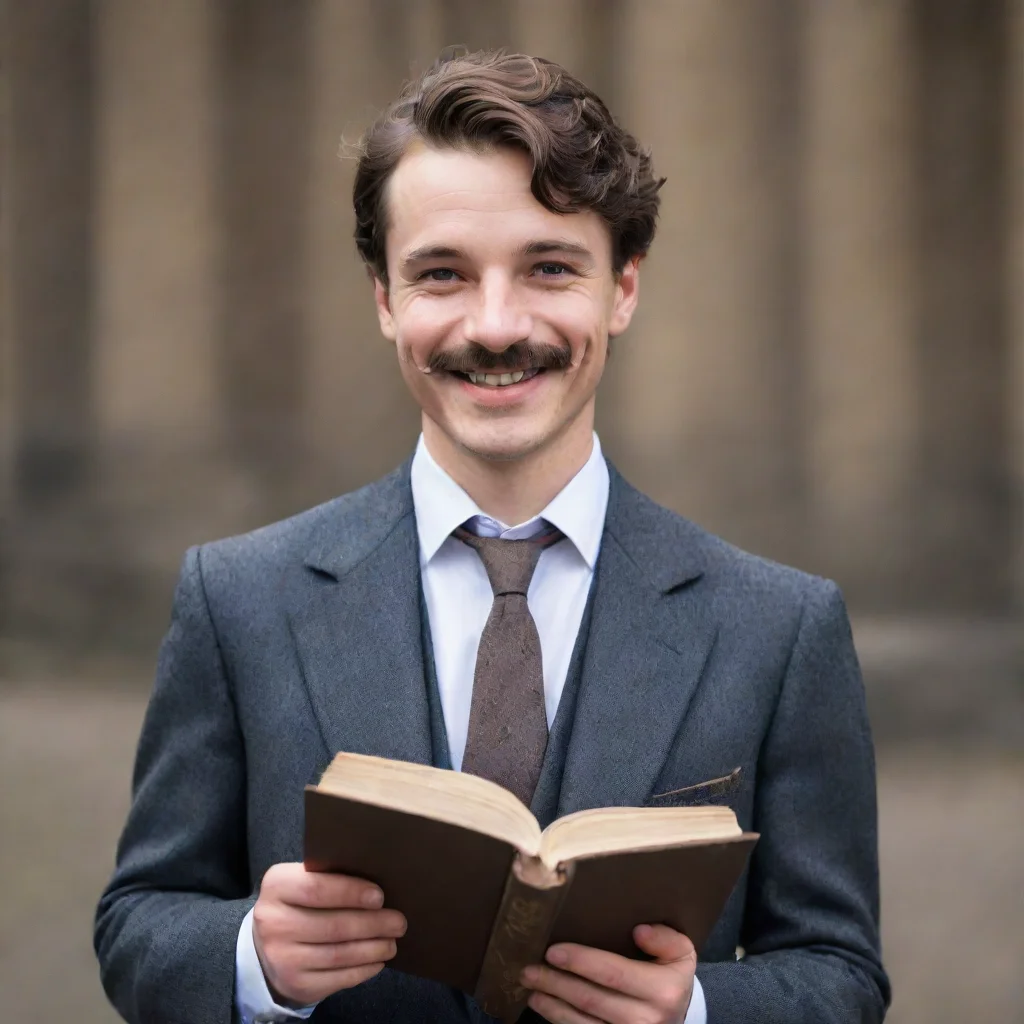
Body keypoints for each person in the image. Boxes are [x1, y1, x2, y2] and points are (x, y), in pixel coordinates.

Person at [95, 50, 890, 1024]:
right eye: (441, 274)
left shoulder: (780, 626)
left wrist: (693, 1014)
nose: (497, 324)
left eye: (549, 268)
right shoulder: (238, 598)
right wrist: (252, 958)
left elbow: (840, 973)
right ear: (385, 299)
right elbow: (138, 924)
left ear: (623, 288)